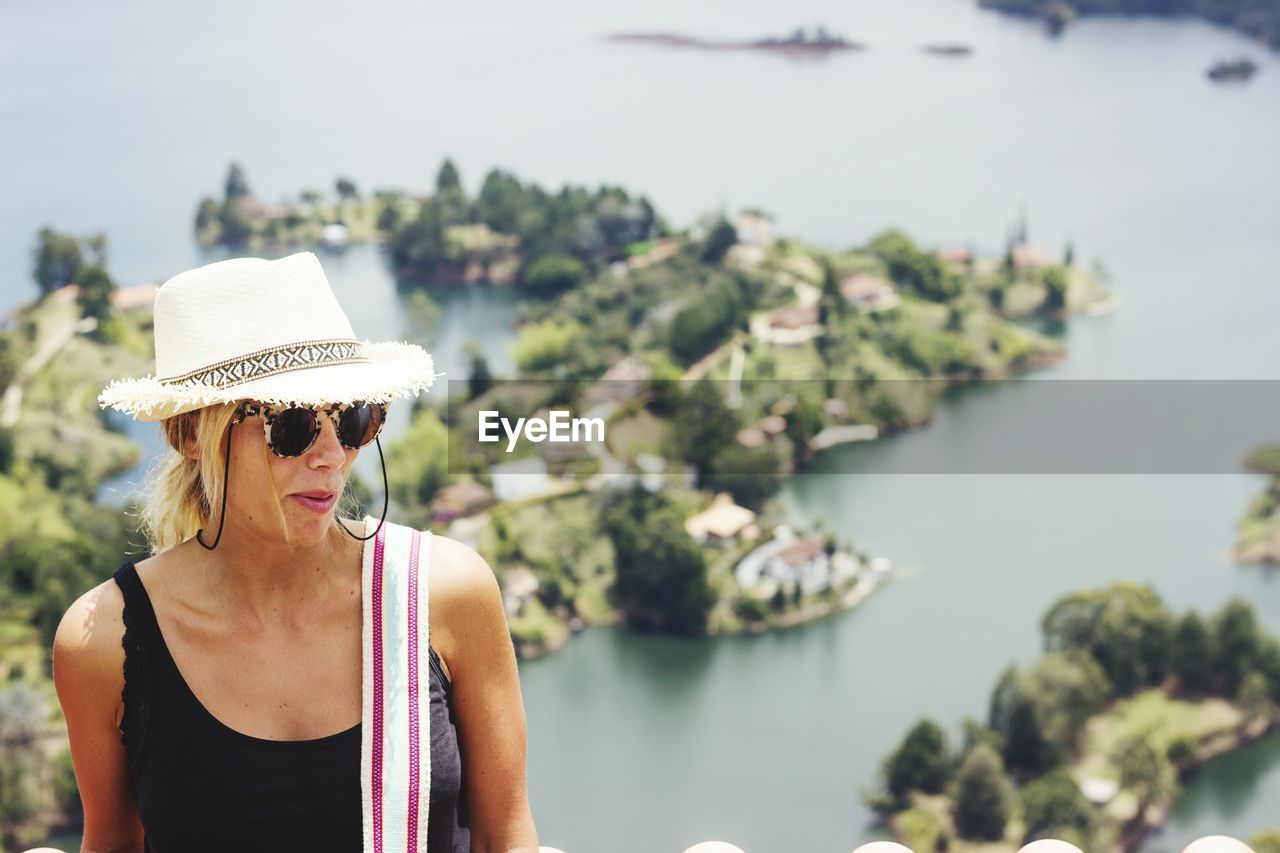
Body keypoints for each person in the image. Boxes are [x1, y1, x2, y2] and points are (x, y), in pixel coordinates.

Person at [52, 252, 540, 852]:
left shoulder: (445, 594)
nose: (332, 456)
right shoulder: (104, 644)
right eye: (293, 426)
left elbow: (506, 837)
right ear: (189, 435)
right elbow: (113, 843)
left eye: (356, 418)